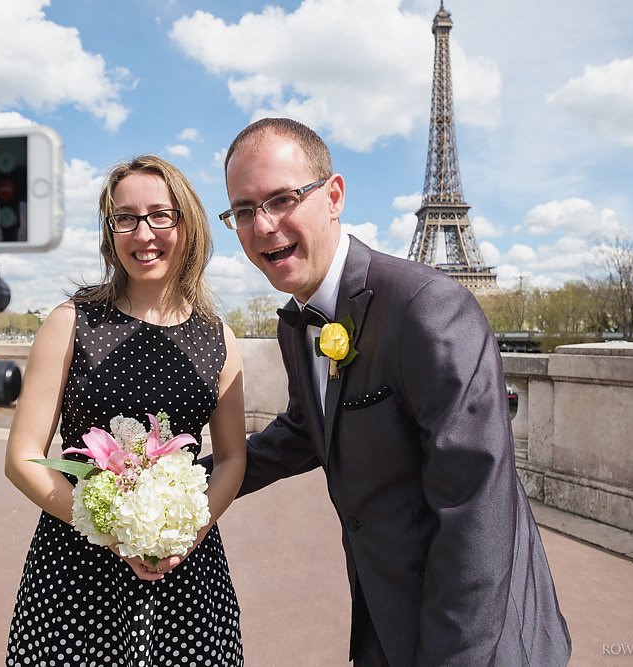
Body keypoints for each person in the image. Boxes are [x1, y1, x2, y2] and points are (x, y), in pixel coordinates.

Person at [215, 117, 572, 666]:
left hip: (474, 634)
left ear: (333, 196)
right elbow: (307, 432)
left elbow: (476, 506)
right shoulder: (297, 324)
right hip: (386, 614)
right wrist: (182, 481)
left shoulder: (427, 307)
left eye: (282, 199)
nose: (262, 225)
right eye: (243, 210)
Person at [4, 155, 247, 665]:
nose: (144, 233)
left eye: (161, 215)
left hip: (187, 574)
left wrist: (181, 538)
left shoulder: (217, 338)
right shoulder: (70, 322)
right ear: (109, 230)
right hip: (75, 570)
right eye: (125, 218)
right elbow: (23, 456)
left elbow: (230, 459)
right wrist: (114, 534)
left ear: (189, 224)